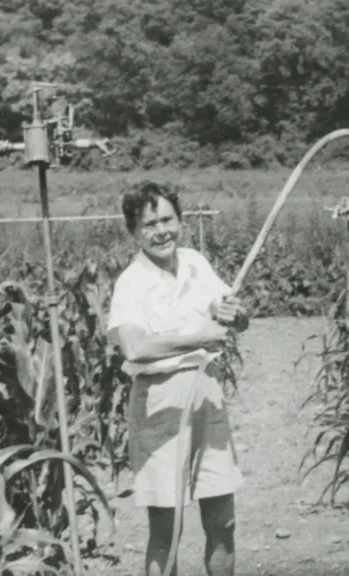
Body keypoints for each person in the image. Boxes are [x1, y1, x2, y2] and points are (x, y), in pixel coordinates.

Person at [106, 181, 249, 576]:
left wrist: (237, 316)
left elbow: (235, 317)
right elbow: (134, 347)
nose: (161, 231)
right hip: (160, 401)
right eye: (149, 224)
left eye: (167, 219)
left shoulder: (195, 263)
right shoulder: (131, 283)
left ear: (180, 221)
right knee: (167, 529)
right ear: (135, 232)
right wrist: (198, 338)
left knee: (223, 521)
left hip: (205, 392)